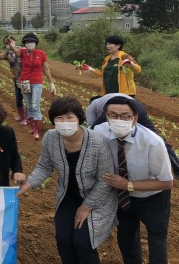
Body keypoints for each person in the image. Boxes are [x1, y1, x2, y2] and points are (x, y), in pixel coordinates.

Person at [17, 97, 118, 264]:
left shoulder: (97, 142)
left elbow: (105, 180)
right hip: (68, 196)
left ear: (79, 118)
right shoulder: (51, 137)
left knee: (83, 242)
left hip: (97, 198)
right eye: (59, 118)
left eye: (70, 117)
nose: (65, 122)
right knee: (63, 240)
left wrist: (86, 207)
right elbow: (44, 166)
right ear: (53, 121)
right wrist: (28, 184)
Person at [94, 96, 173, 264]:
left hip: (153, 198)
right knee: (127, 238)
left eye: (125, 116)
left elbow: (167, 182)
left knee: (156, 238)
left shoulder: (153, 143)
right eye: (113, 115)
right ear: (106, 116)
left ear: (135, 118)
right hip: (122, 197)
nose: (118, 120)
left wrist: (128, 184)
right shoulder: (98, 133)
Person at [8, 33, 56, 140]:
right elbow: (16, 52)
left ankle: (38, 130)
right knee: (29, 105)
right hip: (24, 82)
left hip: (37, 82)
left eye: (32, 42)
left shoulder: (41, 53)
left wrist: (51, 83)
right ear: (25, 44)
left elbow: (46, 69)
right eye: (27, 42)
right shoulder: (22, 52)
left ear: (36, 43)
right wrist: (10, 45)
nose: (30, 44)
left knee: (35, 105)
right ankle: (32, 127)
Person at [0, 35, 25, 125]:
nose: (8, 44)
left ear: (14, 42)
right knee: (18, 98)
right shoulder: (8, 53)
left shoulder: (22, 50)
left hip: (25, 78)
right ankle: (21, 116)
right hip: (16, 78)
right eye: (6, 43)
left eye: (10, 42)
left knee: (26, 99)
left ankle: (27, 118)